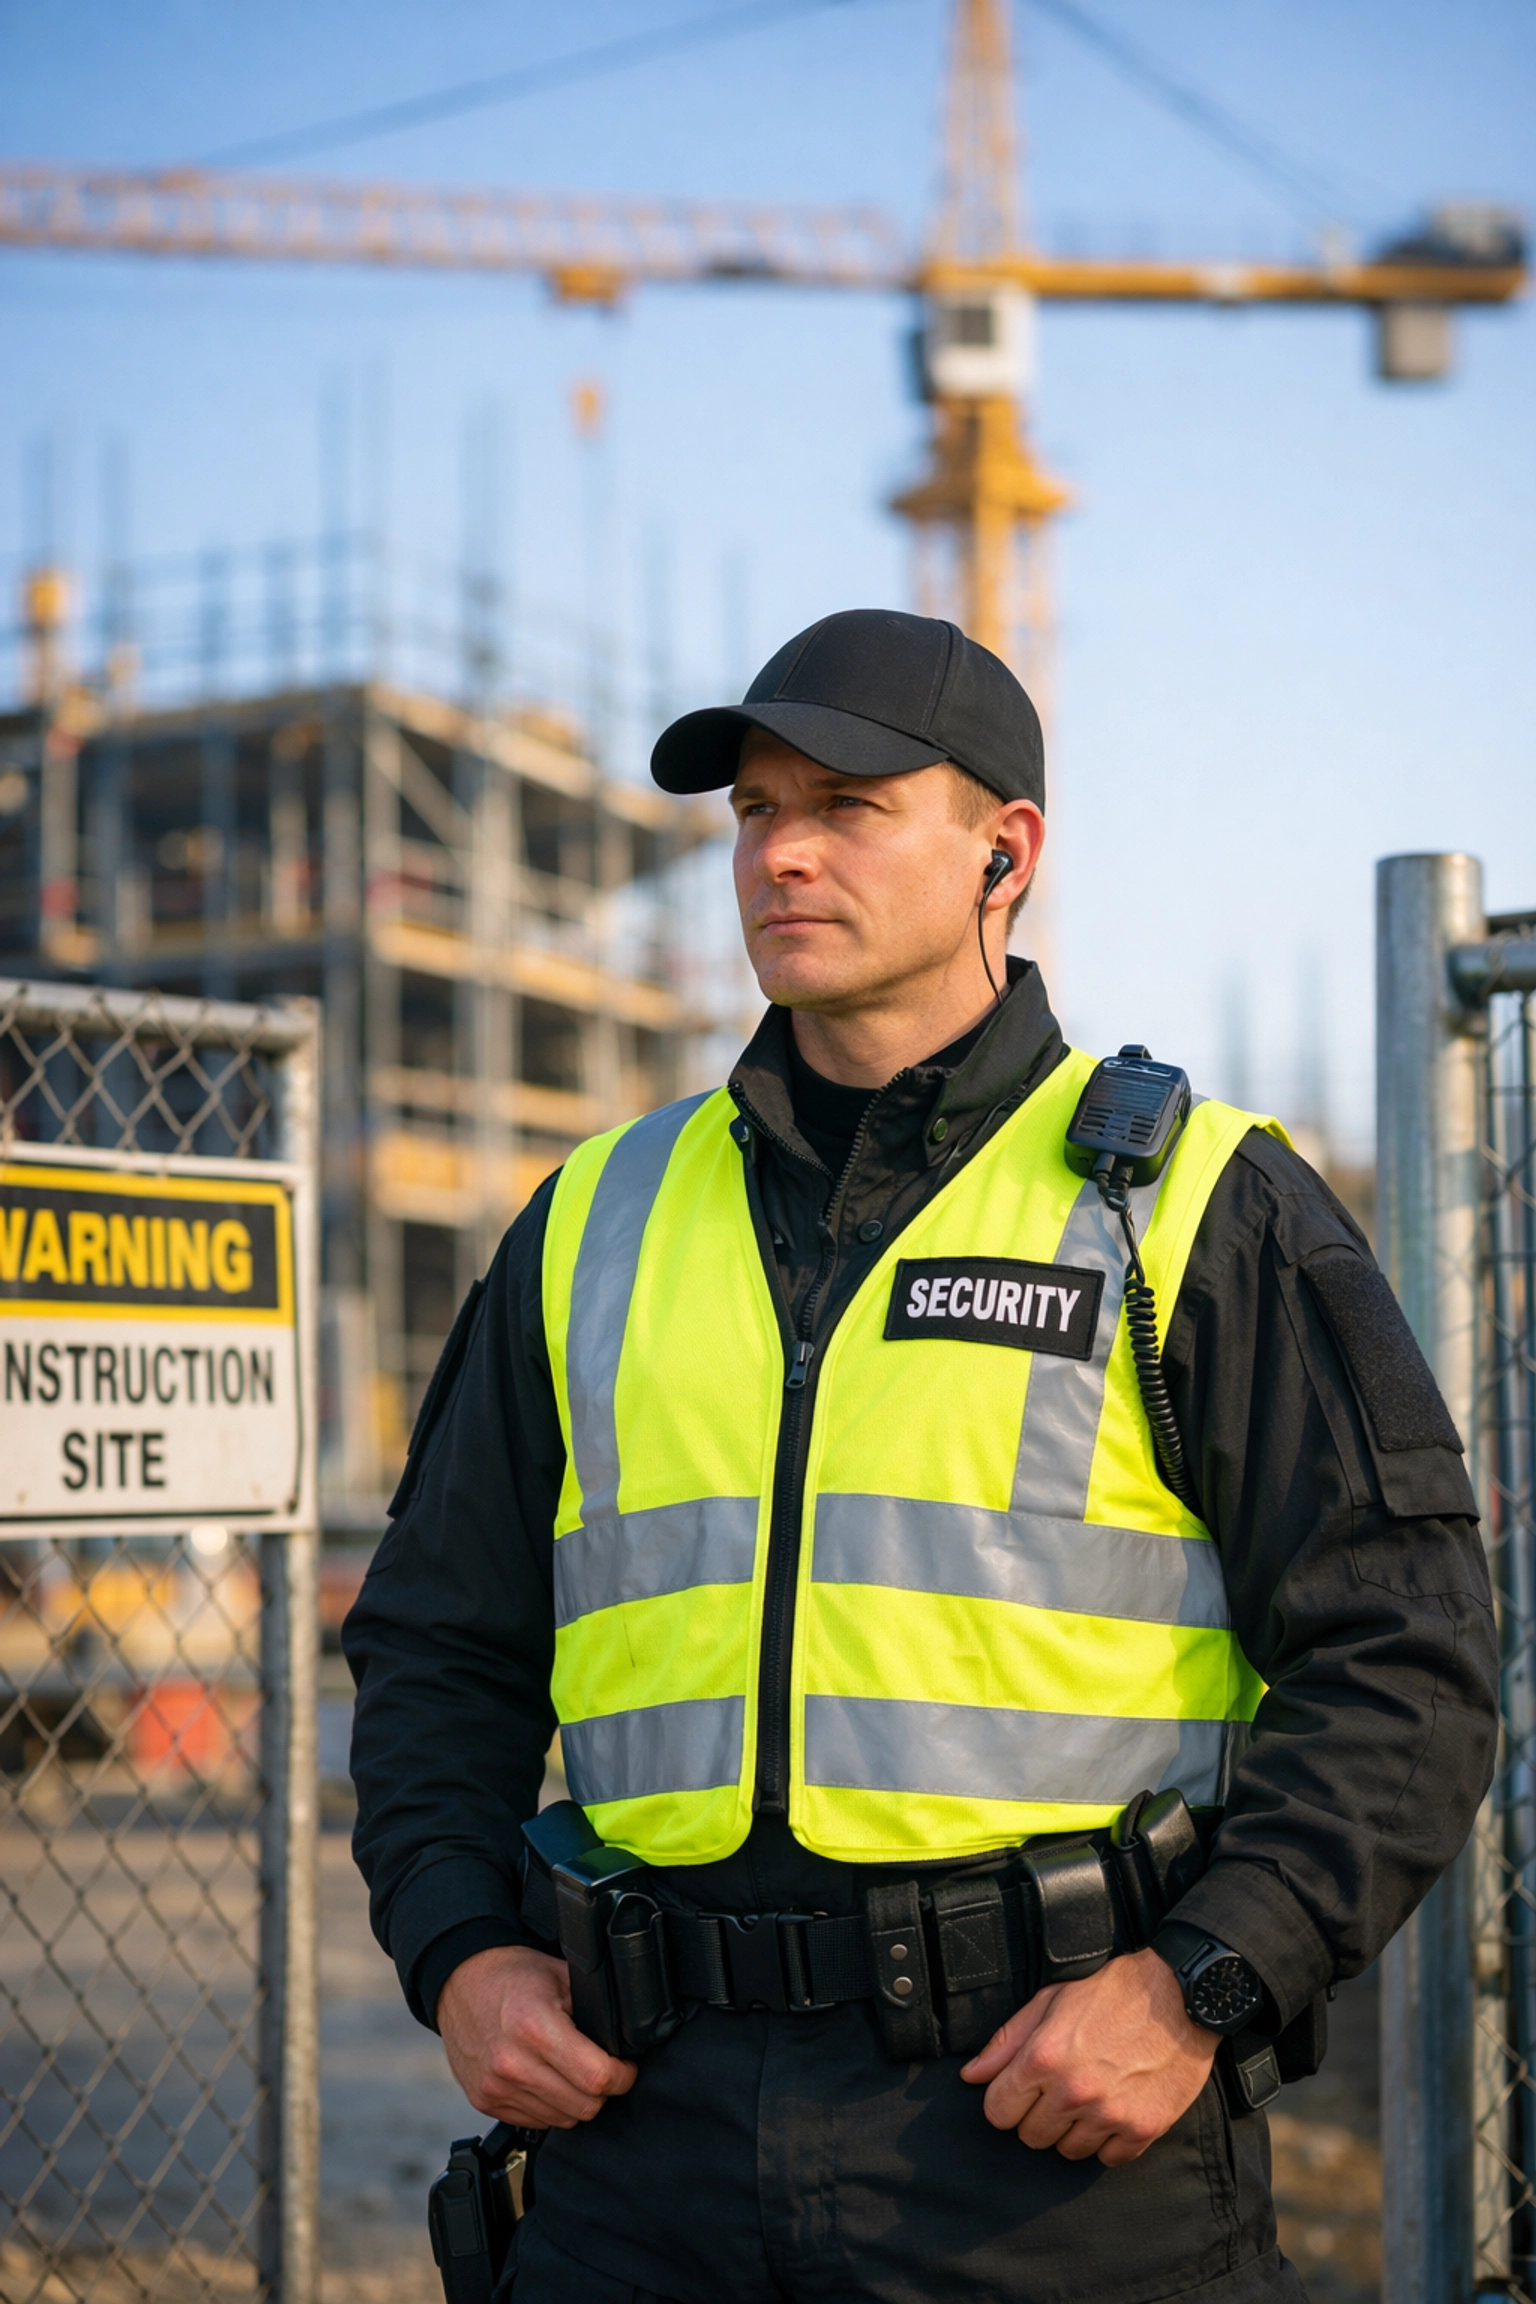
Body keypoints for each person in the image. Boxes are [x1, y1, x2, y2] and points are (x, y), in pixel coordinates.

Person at [345, 609, 1497, 2304]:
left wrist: (1196, 1985)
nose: (780, 853)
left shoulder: (1193, 1203)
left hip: (1045, 2147)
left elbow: (1411, 1659)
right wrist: (458, 1950)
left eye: (849, 804)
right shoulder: (595, 1217)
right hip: (638, 2146)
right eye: (752, 810)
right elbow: (438, 1639)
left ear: (1003, 853)